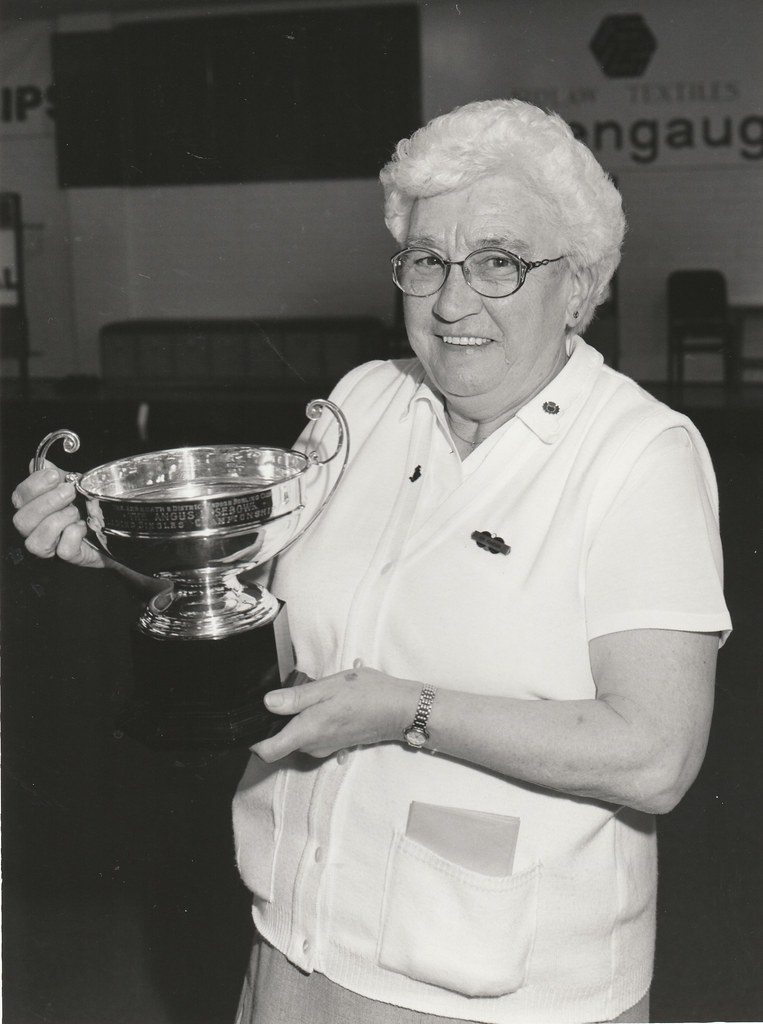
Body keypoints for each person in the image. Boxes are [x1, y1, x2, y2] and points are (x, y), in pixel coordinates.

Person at [12, 99, 731, 1024]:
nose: (450, 301)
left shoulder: (639, 454)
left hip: (501, 992)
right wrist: (121, 545)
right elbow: (258, 610)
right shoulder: (367, 402)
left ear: (582, 287)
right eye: (426, 259)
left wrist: (406, 712)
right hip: (296, 948)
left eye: (497, 263)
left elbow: (654, 756)